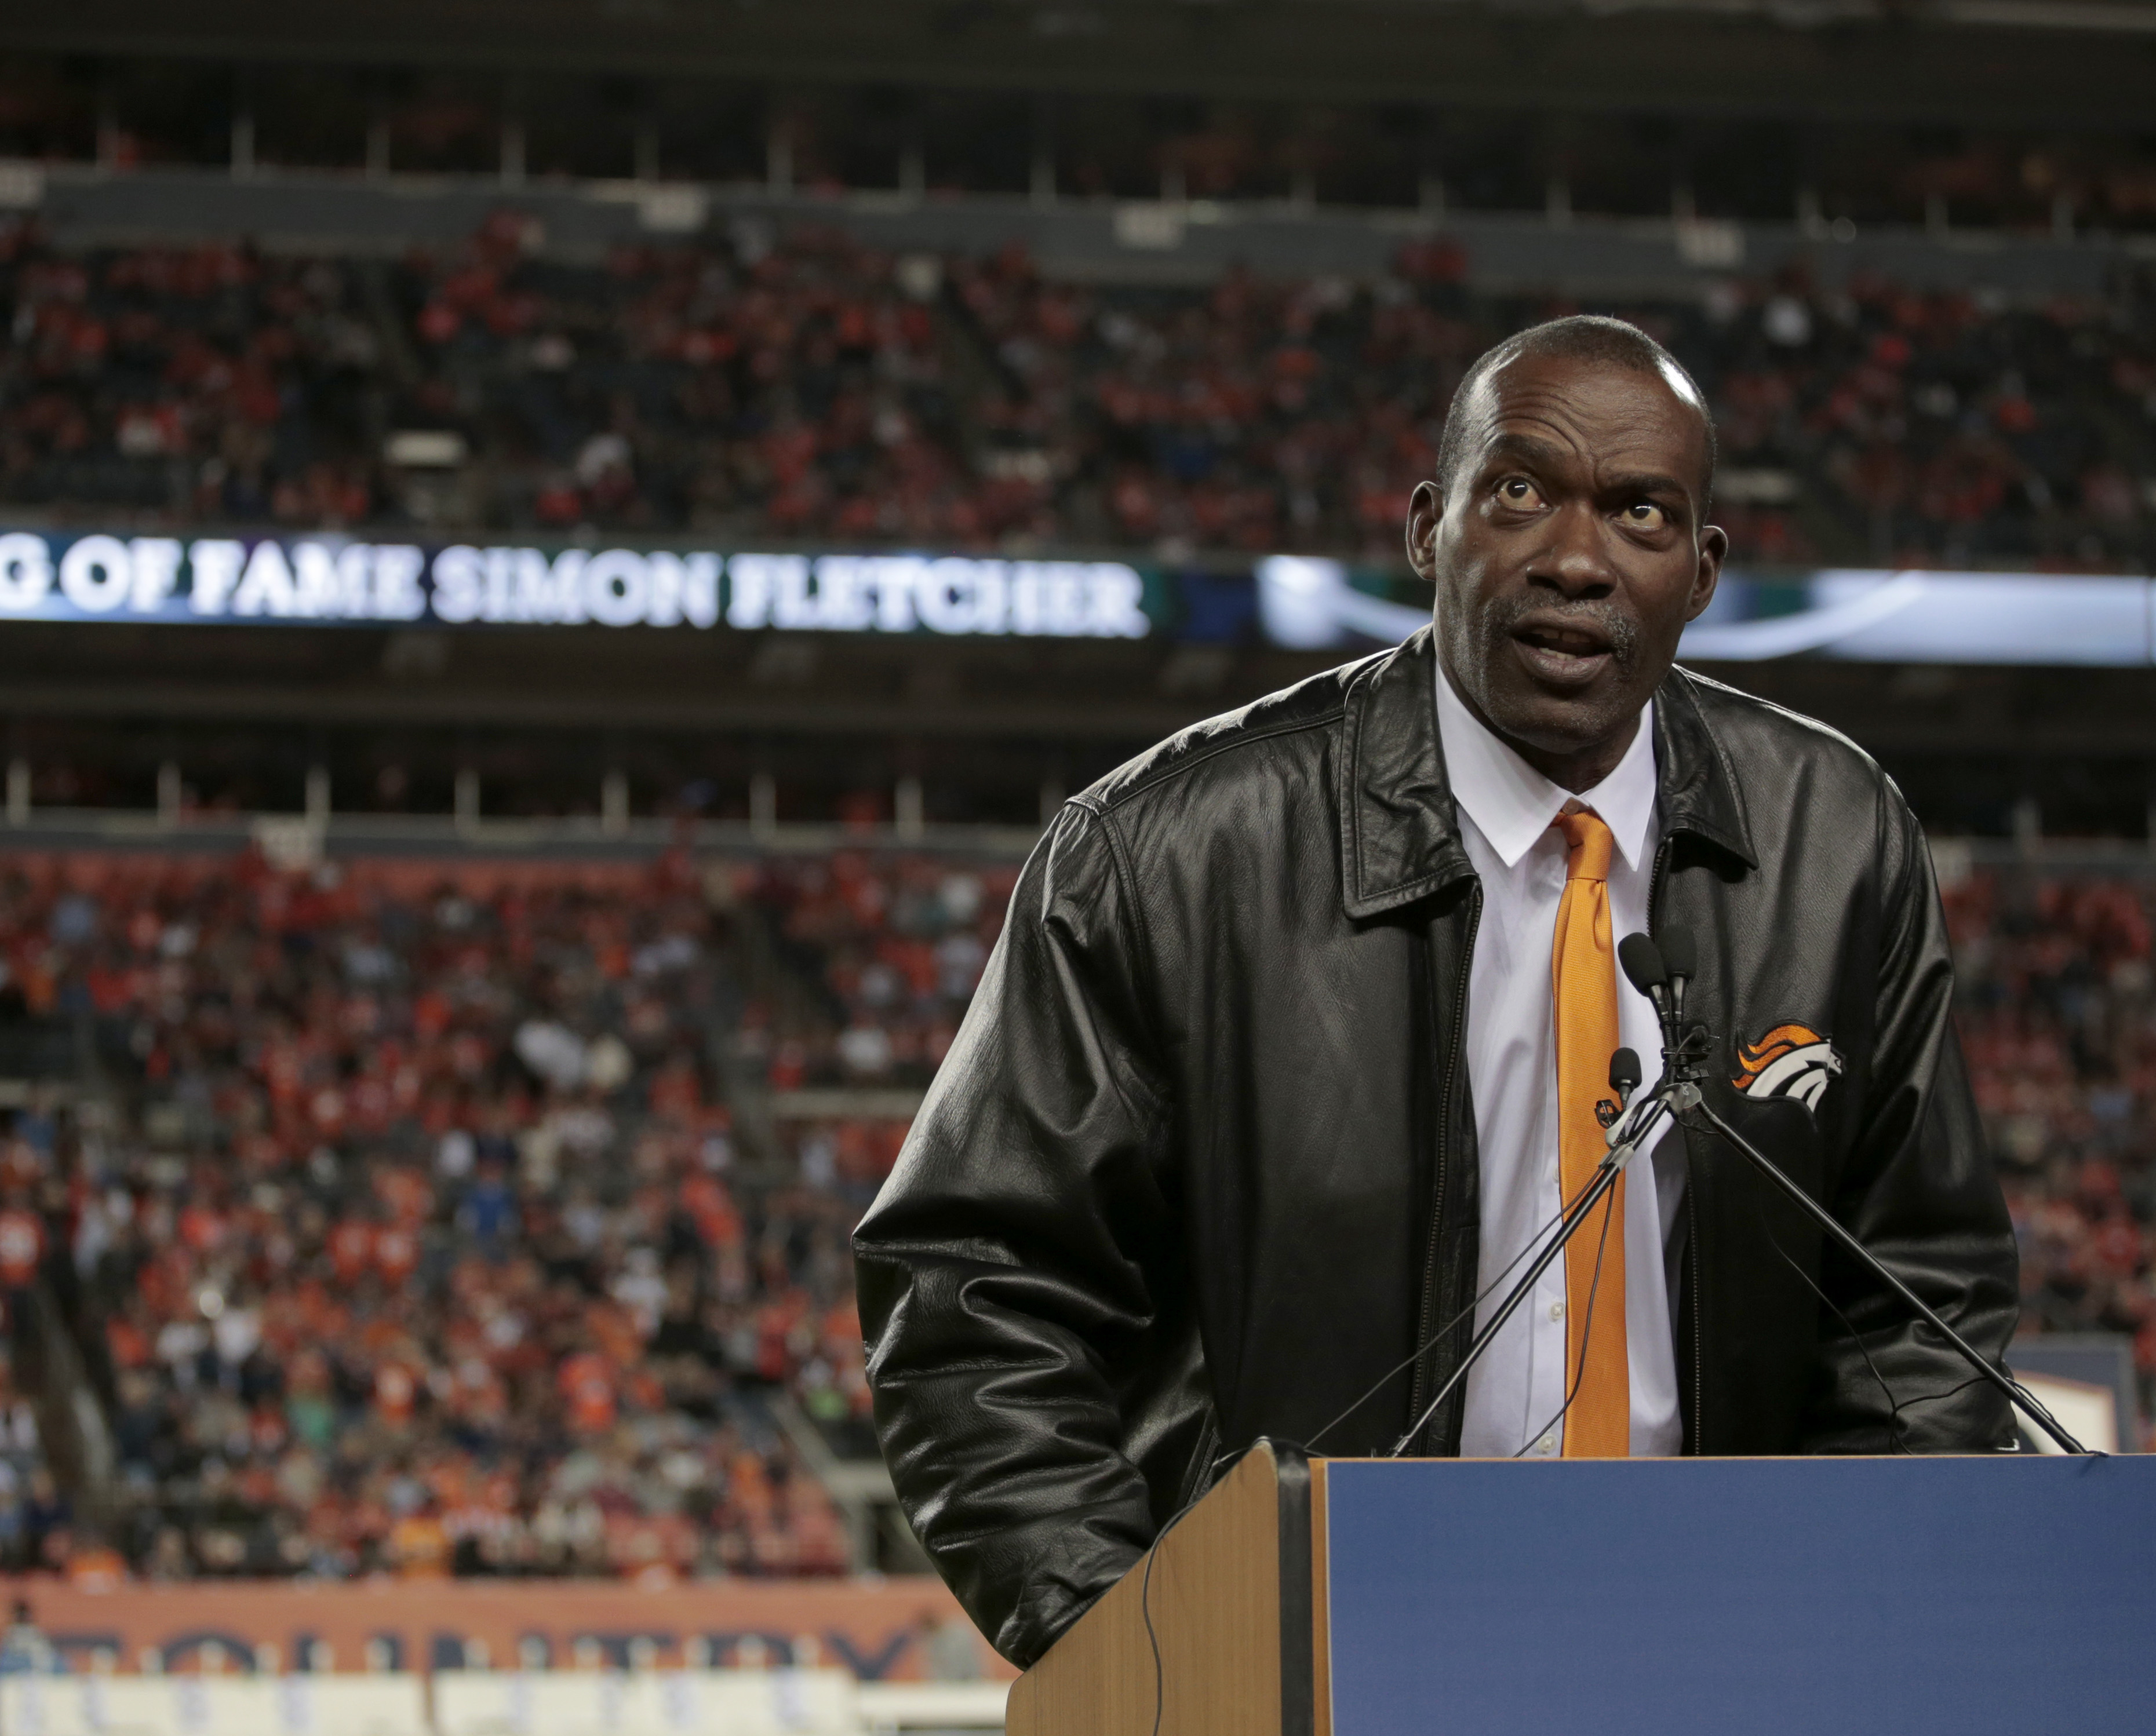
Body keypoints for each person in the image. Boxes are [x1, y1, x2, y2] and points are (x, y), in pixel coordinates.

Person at [852, 315, 2019, 1667]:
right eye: (1521, 490)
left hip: (1718, 1649)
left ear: (1701, 573)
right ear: (1427, 528)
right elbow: (976, 1288)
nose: (1576, 560)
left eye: (1639, 513)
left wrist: (1844, 1636)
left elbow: (1921, 1301)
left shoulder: (1841, 840)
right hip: (1306, 1663)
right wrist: (1150, 1656)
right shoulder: (1165, 853)